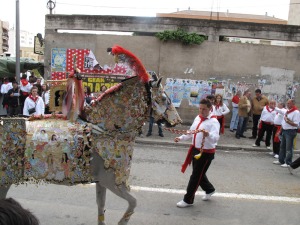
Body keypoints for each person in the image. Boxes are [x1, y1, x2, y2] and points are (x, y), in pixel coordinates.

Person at [175, 98, 220, 208]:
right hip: (195, 150)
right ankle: (210, 189)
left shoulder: (214, 122)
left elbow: (215, 139)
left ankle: (188, 200)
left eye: (204, 109)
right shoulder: (197, 118)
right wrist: (181, 137)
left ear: (210, 109)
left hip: (206, 153)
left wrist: (208, 135)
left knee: (195, 176)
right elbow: (191, 132)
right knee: (198, 174)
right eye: (200, 108)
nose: (201, 111)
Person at [273, 99, 300, 167]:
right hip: (284, 130)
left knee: (289, 148)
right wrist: (280, 130)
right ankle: (281, 160)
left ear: (293, 104)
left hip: (290, 131)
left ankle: (288, 162)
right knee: (282, 147)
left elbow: (296, 124)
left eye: (289, 103)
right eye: (287, 103)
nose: (287, 104)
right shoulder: (287, 111)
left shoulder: (296, 112)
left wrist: (288, 122)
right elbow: (283, 120)